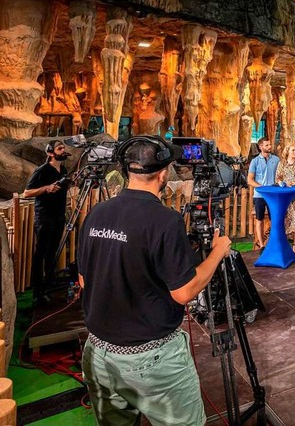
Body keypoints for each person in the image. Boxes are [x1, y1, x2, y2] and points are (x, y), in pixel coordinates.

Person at [77, 136, 232, 425]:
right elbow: (184, 292)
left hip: (97, 354)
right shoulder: (165, 221)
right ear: (162, 174)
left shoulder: (96, 214)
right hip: (150, 361)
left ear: (126, 171)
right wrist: (218, 253)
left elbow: (85, 281)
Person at [23, 139, 70, 304]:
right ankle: (38, 290)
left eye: (63, 147)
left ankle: (50, 281)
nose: (63, 150)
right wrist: (45, 188)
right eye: (59, 148)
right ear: (51, 153)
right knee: (40, 254)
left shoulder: (63, 169)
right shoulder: (41, 171)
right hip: (44, 217)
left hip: (58, 217)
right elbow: (26, 193)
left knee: (52, 251)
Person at [248, 137, 280, 251]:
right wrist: (262, 188)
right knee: (259, 219)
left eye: (270, 144)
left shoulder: (276, 160)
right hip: (259, 196)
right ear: (261, 147)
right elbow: (250, 180)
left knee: (274, 219)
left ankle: (274, 243)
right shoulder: (255, 161)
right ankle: (261, 245)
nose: (269, 147)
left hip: (273, 196)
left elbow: (280, 176)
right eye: (266, 145)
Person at [276, 143, 295, 253]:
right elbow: (277, 178)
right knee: (286, 219)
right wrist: (282, 183)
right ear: (287, 151)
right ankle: (284, 242)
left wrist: (292, 183)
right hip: (285, 196)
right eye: (293, 150)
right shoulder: (281, 164)